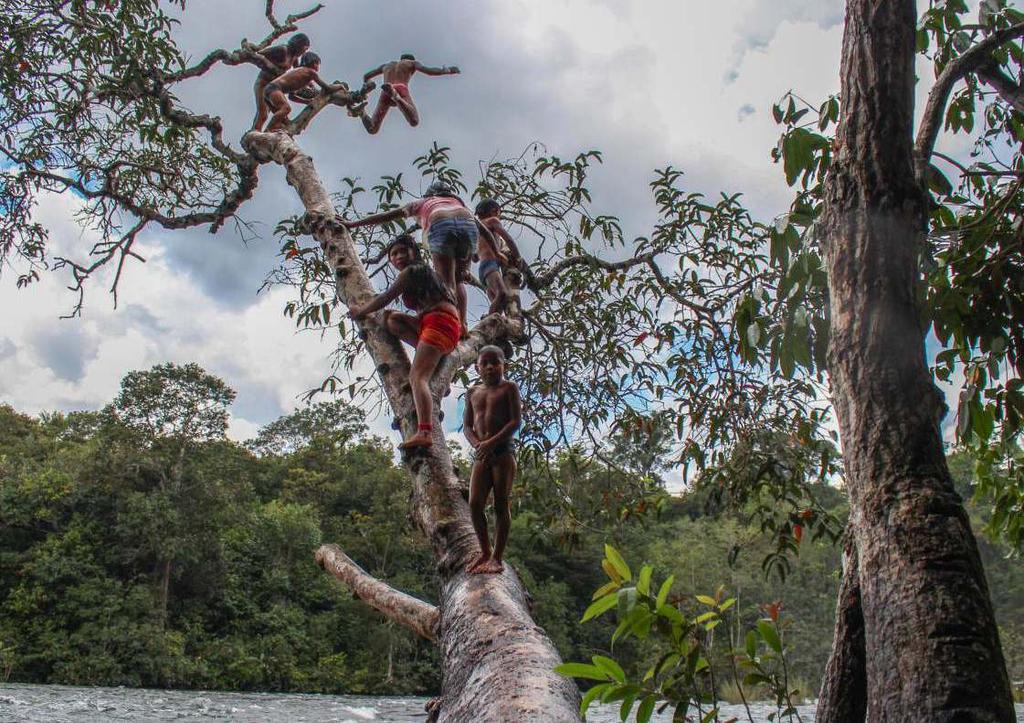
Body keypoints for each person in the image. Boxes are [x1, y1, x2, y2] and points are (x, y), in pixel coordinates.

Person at [348, 235, 461, 450]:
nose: (398, 257)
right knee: (391, 319)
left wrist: (360, 312)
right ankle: (432, 362)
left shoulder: (412, 271)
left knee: (417, 377)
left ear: (414, 252)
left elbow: (385, 297)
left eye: (403, 251)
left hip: (439, 324)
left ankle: (425, 432)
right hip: (435, 325)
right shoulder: (425, 275)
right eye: (394, 254)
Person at [343, 182, 480, 334]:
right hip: (468, 224)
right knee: (459, 279)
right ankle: (463, 324)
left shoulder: (424, 203)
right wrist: (478, 253)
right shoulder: (458, 203)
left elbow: (387, 215)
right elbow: (481, 228)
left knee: (447, 284)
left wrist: (353, 224)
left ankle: (453, 322)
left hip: (440, 222)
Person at [463, 345, 521, 574]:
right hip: (481, 454)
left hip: (504, 452)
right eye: (484, 363)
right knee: (475, 503)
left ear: (503, 365)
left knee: (500, 503)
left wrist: (491, 442)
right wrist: (478, 444)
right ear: (477, 367)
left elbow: (515, 422)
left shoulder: (509, 388)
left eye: (494, 362)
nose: (489, 367)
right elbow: (467, 426)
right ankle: (484, 551)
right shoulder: (472, 392)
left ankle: (497, 557)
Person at [349, 53, 460, 134]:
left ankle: (362, 113)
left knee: (372, 129)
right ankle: (396, 97)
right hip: (400, 88)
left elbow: (366, 76)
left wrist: (367, 87)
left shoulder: (386, 65)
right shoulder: (411, 63)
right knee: (414, 121)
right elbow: (429, 71)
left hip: (384, 93)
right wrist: (447, 70)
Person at [262, 53, 345, 132]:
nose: (318, 66)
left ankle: (274, 131)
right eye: (317, 63)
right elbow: (327, 88)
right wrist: (340, 86)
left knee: (284, 120)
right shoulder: (310, 72)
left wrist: (306, 101)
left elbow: (292, 97)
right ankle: (268, 130)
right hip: (274, 89)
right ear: (312, 62)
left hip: (269, 90)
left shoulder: (300, 73)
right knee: (286, 108)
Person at [251, 33, 310, 132]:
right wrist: (271, 67)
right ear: (298, 44)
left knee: (281, 113)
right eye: (304, 49)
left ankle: (270, 133)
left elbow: (299, 71)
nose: (303, 52)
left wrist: (309, 84)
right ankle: (254, 134)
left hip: (274, 88)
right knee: (263, 113)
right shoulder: (283, 50)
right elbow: (258, 55)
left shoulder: (294, 57)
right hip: (263, 83)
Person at [474, 199, 524, 314]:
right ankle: (488, 323)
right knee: (502, 294)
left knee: (499, 306)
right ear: (494, 211)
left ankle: (493, 325)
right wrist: (518, 258)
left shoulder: (476, 230)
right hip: (490, 265)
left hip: (483, 268)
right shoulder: (492, 221)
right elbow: (508, 239)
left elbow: (475, 258)